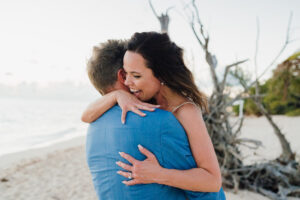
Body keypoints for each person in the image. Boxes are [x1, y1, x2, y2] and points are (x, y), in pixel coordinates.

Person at [84, 32, 226, 199]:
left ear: (160, 75)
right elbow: (86, 116)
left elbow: (213, 181)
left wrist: (157, 174)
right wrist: (116, 95)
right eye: (126, 74)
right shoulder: (142, 100)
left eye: (136, 76)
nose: (128, 83)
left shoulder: (186, 111)